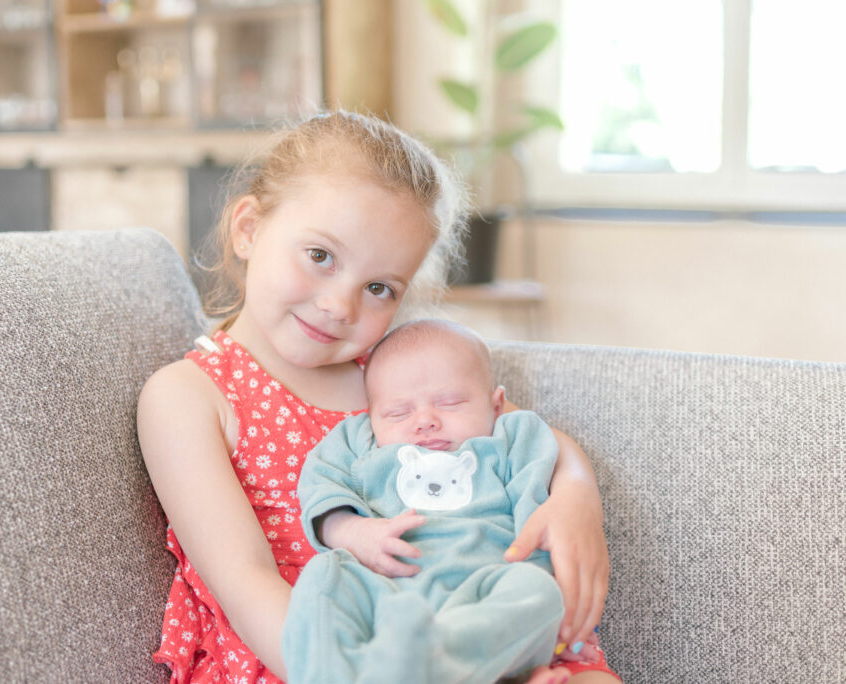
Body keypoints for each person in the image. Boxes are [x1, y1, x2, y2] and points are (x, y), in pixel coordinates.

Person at [137, 110, 616, 683]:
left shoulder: (391, 371)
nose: (341, 306)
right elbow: (245, 581)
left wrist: (576, 498)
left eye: (378, 287)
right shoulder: (189, 396)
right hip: (316, 650)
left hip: (459, 625)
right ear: (248, 228)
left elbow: (527, 435)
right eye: (319, 256)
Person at [283, 319, 618, 684]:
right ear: (370, 417)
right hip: (388, 593)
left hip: (485, 591)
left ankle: (436, 667)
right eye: (398, 412)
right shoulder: (356, 441)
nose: (425, 421)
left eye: (451, 402)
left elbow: (540, 522)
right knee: (325, 576)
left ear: (496, 405)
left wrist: (564, 626)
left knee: (535, 590)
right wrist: (353, 531)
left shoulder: (512, 439)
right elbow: (320, 489)